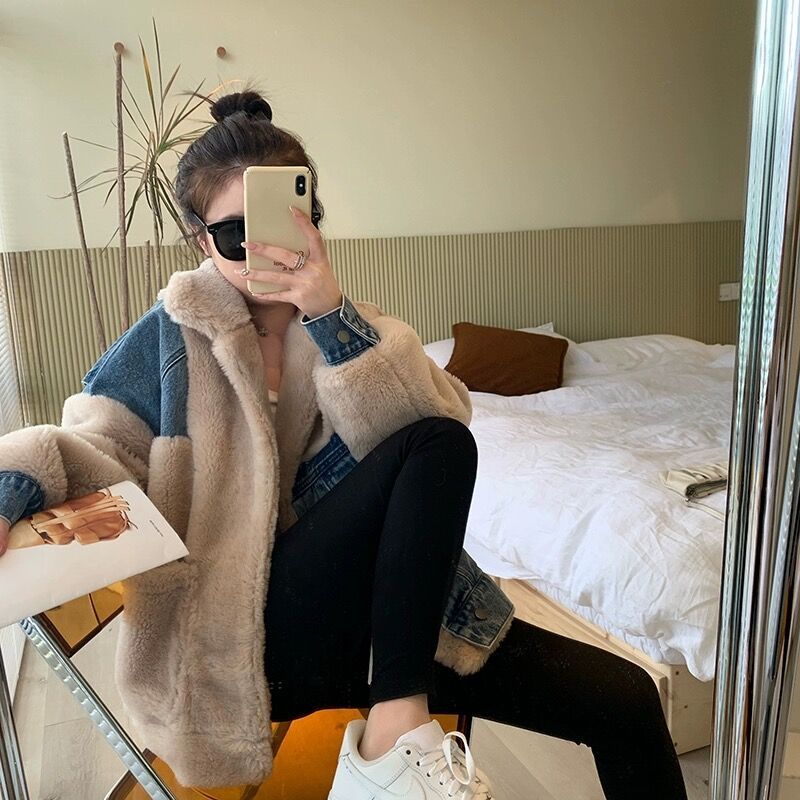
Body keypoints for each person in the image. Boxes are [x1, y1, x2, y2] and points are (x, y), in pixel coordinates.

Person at [0, 87, 688, 800]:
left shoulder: (350, 327)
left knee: (626, 698)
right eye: (235, 235)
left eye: (284, 224)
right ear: (200, 240)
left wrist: (329, 316)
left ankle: (395, 726)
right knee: (436, 447)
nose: (261, 249)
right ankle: (395, 733)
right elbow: (86, 445)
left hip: (387, 630)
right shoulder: (167, 344)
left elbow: (436, 430)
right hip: (243, 647)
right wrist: (8, 488)